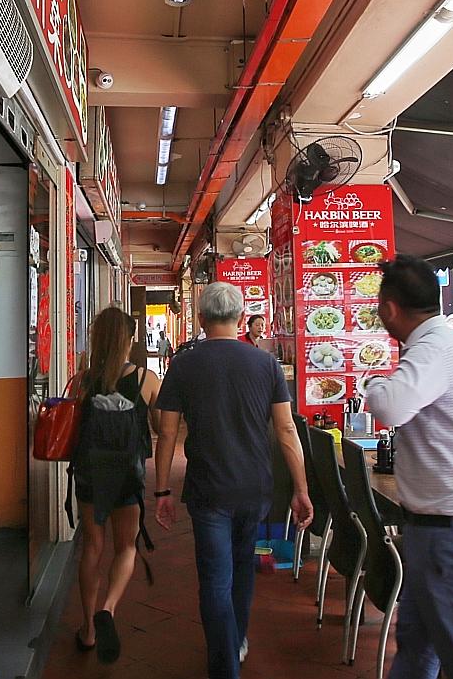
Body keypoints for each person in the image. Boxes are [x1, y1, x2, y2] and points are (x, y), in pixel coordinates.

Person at [152, 282, 311, 679]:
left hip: (208, 489)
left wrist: (161, 491)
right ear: (241, 320)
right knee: (243, 566)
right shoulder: (265, 364)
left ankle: (224, 665)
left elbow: (167, 432)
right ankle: (236, 640)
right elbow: (286, 430)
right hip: (256, 487)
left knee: (214, 579)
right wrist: (301, 489)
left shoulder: (183, 364)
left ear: (201, 319)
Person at [361, 256, 453, 679]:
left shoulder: (432, 350)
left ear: (389, 309)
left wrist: (371, 384)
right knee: (417, 650)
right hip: (440, 527)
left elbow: (391, 405)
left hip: (452, 531)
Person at [70, 307, 161, 663]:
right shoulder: (146, 378)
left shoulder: (82, 380)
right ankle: (107, 608)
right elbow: (162, 424)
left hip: (90, 473)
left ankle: (88, 630)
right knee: (126, 547)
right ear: (129, 339)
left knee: (92, 545)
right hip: (127, 475)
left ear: (97, 338)